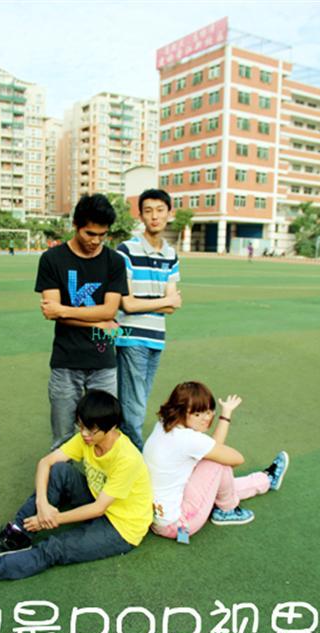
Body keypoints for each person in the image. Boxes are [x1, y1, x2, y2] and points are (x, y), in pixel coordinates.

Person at [0, 391, 153, 588]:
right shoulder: (86, 438)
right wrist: (42, 504)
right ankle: (17, 535)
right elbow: (45, 463)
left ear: (111, 427)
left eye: (91, 430)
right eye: (81, 426)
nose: (84, 434)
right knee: (60, 471)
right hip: (97, 499)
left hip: (121, 527)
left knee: (54, 548)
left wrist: (50, 519)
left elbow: (98, 509)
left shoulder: (127, 458)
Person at [35, 194, 128, 449]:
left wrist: (64, 311)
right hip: (66, 362)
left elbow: (110, 310)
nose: (96, 241)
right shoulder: (52, 259)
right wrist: (96, 323)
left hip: (103, 362)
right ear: (75, 225)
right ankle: (62, 475)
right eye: (90, 233)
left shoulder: (114, 261)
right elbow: (50, 312)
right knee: (63, 437)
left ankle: (99, 476)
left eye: (102, 235)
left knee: (105, 435)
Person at [143, 381, 289, 539]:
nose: (206, 418)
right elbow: (237, 459)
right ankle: (227, 510)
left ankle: (266, 480)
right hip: (180, 529)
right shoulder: (189, 439)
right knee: (219, 463)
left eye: (208, 411)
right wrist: (225, 416)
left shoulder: (164, 423)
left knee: (214, 467)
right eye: (197, 414)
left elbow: (213, 449)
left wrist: (225, 413)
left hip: (156, 520)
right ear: (181, 411)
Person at [115, 189, 181, 451]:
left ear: (169, 213)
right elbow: (127, 303)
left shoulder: (171, 255)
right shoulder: (126, 250)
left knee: (138, 400)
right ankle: (137, 460)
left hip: (156, 339)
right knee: (134, 405)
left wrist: (163, 303)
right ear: (141, 215)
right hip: (131, 336)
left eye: (160, 210)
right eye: (148, 211)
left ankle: (124, 457)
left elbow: (172, 307)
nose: (154, 216)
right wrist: (164, 301)